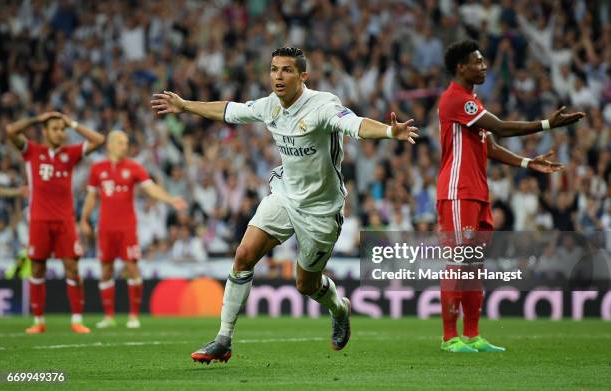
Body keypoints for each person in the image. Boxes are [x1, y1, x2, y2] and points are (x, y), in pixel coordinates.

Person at [151, 47, 419, 364]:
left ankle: (339, 308)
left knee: (306, 284)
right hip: (285, 195)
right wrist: (185, 106)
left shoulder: (323, 105)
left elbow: (355, 124)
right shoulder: (270, 106)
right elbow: (228, 110)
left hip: (321, 210)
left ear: (302, 76)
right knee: (244, 254)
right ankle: (223, 339)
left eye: (287, 70)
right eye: (274, 69)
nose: (278, 76)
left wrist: (390, 131)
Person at [437, 39, 585, 352]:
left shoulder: (472, 102)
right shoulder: (455, 99)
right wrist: (547, 124)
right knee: (458, 262)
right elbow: (503, 128)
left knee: (474, 265)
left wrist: (528, 162)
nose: (484, 66)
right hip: (457, 191)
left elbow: (489, 145)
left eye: (483, 61)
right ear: (461, 67)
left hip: (477, 192)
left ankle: (473, 336)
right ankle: (450, 338)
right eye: (477, 62)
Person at [6, 111, 106, 334]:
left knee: (72, 268)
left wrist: (72, 123)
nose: (60, 133)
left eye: (62, 129)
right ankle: (38, 322)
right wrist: (36, 119)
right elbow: (11, 130)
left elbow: (99, 140)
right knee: (38, 268)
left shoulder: (69, 154)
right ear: (44, 131)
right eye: (55, 129)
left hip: (64, 221)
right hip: (39, 220)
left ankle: (77, 320)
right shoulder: (31, 151)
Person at [80, 130, 187, 329]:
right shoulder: (97, 169)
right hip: (105, 228)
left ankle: (134, 316)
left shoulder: (134, 167)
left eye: (127, 142)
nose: (125, 146)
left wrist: (171, 199)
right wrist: (84, 219)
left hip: (127, 227)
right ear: (110, 144)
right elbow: (91, 197)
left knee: (132, 268)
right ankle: (109, 316)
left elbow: (150, 188)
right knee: (105, 270)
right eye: (121, 142)